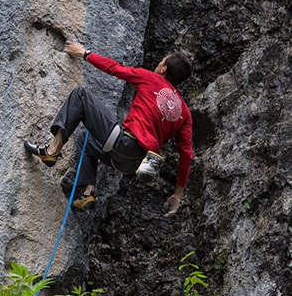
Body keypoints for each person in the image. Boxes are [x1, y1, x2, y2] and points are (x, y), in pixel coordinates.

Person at [24, 40, 193, 215]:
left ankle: (51, 151)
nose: (158, 64)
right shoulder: (185, 113)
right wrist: (178, 194)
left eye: (161, 62)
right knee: (85, 139)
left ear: (163, 69)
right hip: (133, 164)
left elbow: (114, 68)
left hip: (124, 142)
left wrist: (84, 53)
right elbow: (186, 154)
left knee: (81, 95)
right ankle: (88, 193)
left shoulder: (151, 78)